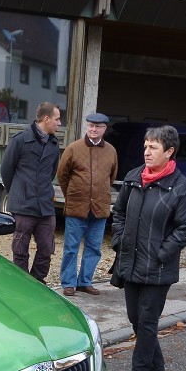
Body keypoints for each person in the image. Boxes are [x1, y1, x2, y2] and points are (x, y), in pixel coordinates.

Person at [110, 125, 186, 371]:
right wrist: (119, 239)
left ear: (169, 152)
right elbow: (119, 212)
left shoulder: (182, 188)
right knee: (135, 318)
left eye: (153, 147)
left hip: (158, 267)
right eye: (145, 146)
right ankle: (156, 365)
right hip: (131, 260)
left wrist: (163, 252)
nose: (146, 152)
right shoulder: (134, 177)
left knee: (147, 320)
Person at [57, 112, 118, 296]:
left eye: (98, 127)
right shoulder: (73, 148)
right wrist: (74, 194)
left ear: (104, 129)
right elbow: (62, 175)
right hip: (77, 207)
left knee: (93, 247)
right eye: (91, 125)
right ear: (87, 127)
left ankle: (85, 281)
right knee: (71, 247)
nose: (93, 129)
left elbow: (112, 176)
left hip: (99, 208)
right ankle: (68, 283)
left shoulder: (111, 151)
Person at [0, 102, 61, 283]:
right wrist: (19, 192)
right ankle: (21, 284)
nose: (59, 123)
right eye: (57, 119)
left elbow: (51, 173)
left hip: (45, 206)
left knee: (47, 248)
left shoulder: (53, 144)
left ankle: (36, 282)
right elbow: (6, 170)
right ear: (46, 118)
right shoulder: (20, 140)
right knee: (20, 250)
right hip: (23, 206)